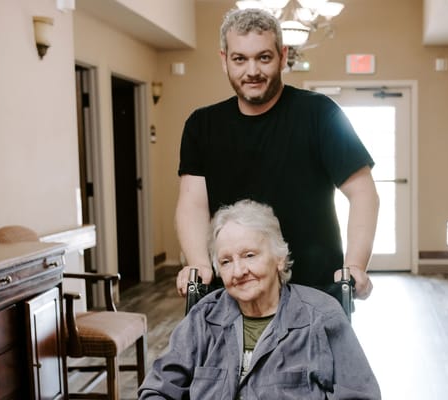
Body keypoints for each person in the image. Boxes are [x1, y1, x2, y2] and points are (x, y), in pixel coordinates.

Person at [174, 7, 379, 301]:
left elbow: (363, 192)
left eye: (264, 57)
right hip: (233, 291)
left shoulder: (321, 114)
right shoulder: (201, 125)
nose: (252, 71)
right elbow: (193, 204)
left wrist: (355, 265)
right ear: (224, 60)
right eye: (240, 59)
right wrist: (199, 263)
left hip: (315, 291)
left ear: (282, 56)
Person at [139, 200, 381, 399]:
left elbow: (360, 395)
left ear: (279, 258)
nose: (238, 271)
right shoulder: (203, 318)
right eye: (226, 261)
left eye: (249, 255)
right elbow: (157, 390)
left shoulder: (322, 316)